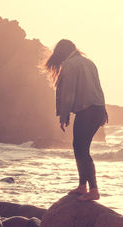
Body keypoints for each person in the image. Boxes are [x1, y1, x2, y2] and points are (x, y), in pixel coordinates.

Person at [45, 39, 108, 201]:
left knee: (81, 148)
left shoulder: (70, 65)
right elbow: (98, 88)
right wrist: (104, 110)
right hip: (97, 109)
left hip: (87, 110)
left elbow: (68, 92)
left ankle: (93, 189)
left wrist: (63, 115)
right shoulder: (89, 62)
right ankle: (83, 186)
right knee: (81, 147)